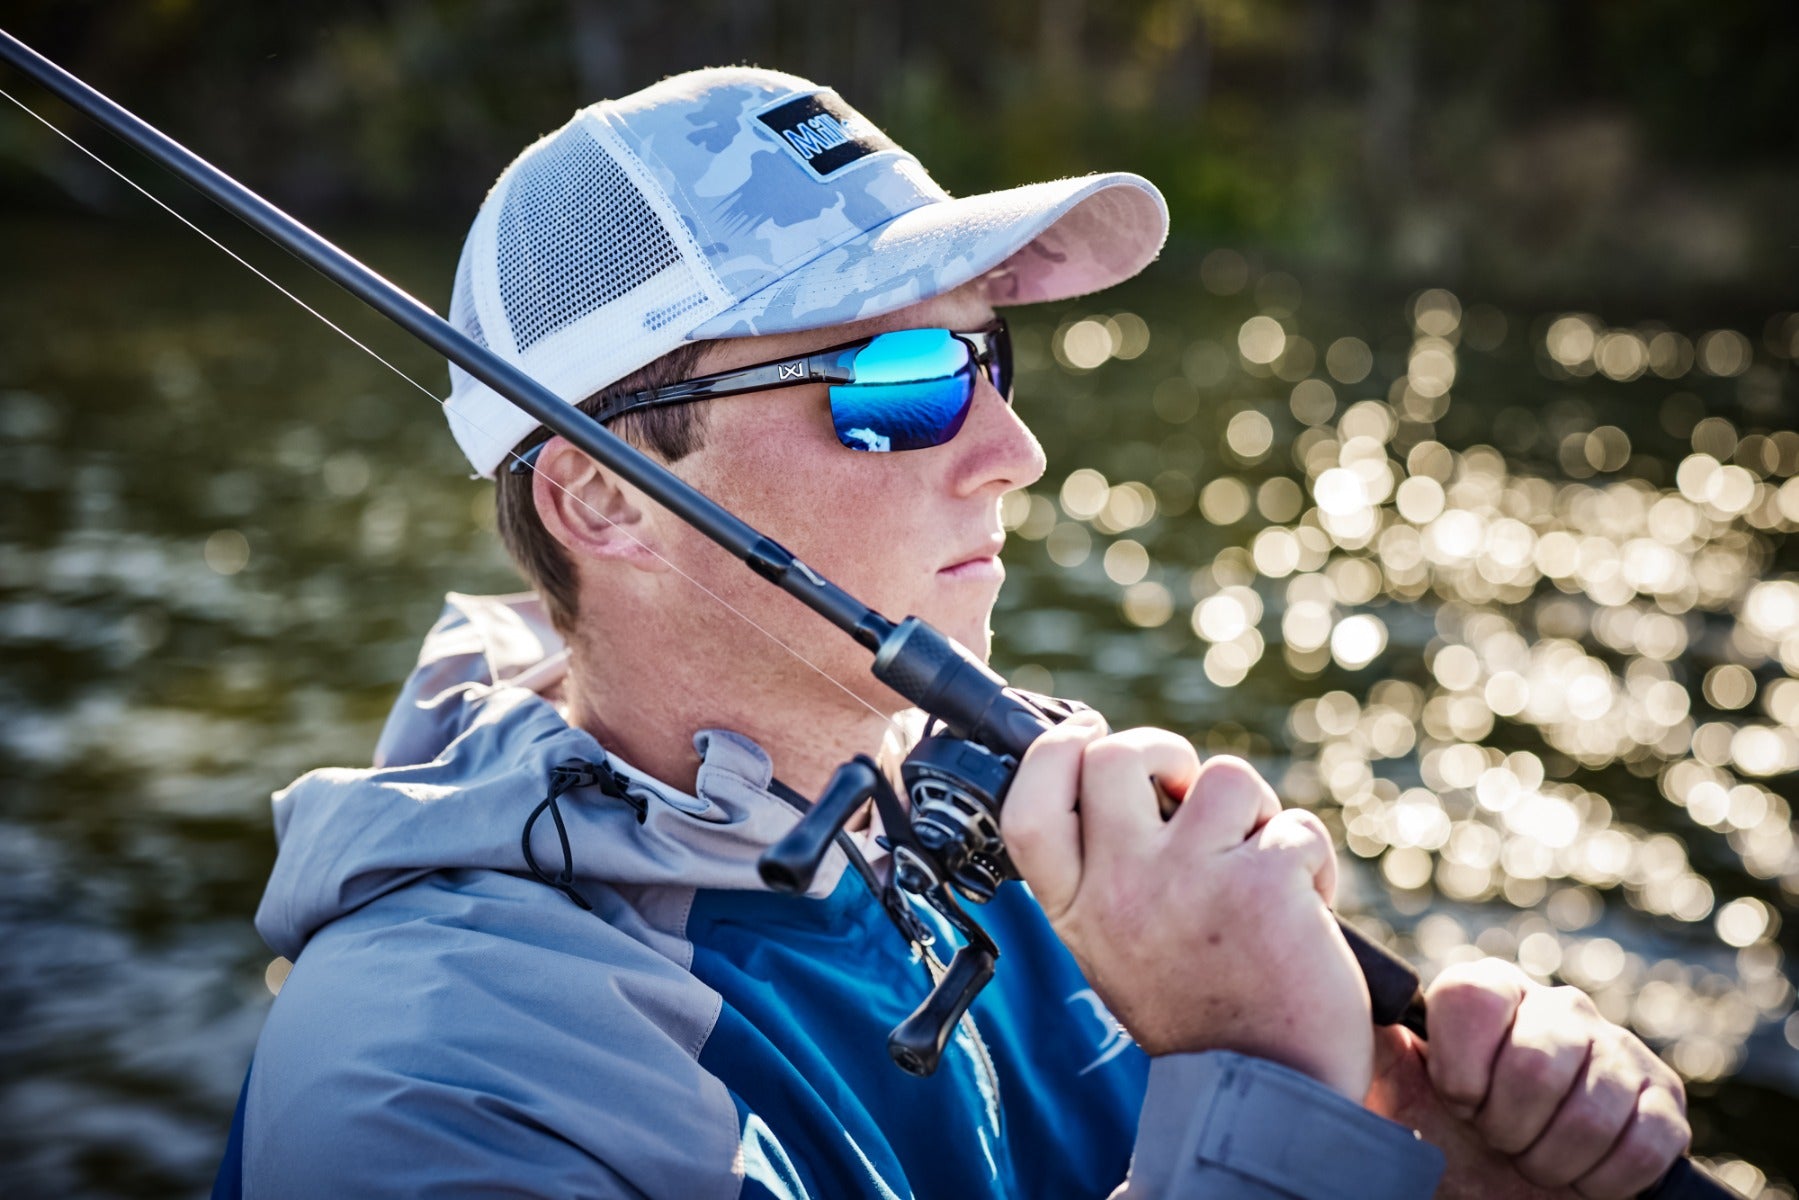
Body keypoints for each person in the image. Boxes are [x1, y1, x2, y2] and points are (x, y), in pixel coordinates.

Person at [224, 67, 1691, 1198]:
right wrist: (1254, 1083)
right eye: (902, 379)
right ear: (604, 499)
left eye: (987, 351)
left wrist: (1427, 1157)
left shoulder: (1023, 825)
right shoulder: (436, 1088)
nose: (1014, 449)